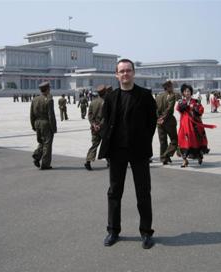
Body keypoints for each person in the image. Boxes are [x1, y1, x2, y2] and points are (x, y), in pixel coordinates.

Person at [98, 59, 157, 249]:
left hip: (139, 151)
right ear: (116, 75)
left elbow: (151, 123)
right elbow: (107, 123)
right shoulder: (110, 97)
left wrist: (144, 140)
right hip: (117, 151)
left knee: (143, 193)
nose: (125, 74)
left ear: (134, 73)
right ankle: (113, 230)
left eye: (128, 71)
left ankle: (146, 232)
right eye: (121, 71)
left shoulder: (145, 95)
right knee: (114, 192)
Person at [177, 84, 213, 167]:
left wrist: (195, 110)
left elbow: (201, 110)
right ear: (183, 92)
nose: (187, 93)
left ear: (191, 92)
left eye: (188, 91)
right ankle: (185, 160)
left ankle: (199, 156)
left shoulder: (195, 101)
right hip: (184, 125)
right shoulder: (181, 102)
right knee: (182, 141)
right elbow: (179, 109)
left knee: (196, 141)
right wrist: (184, 106)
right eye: (185, 91)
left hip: (194, 125)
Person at [30, 81, 57, 170]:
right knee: (47, 144)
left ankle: (37, 155)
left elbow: (31, 114)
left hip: (37, 123)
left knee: (42, 141)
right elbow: (51, 115)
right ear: (48, 89)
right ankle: (45, 164)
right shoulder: (49, 100)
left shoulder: (35, 99)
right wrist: (54, 128)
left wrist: (33, 125)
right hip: (46, 123)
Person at [84, 85, 110, 170]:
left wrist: (93, 124)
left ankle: (88, 161)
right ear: (105, 92)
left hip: (94, 127)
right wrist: (100, 125)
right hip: (103, 128)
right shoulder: (106, 102)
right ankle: (109, 161)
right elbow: (106, 116)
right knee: (107, 145)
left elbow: (90, 115)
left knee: (94, 145)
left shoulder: (93, 102)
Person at [156, 80, 178, 165]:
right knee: (174, 140)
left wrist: (158, 118)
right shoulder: (172, 96)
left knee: (163, 141)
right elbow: (169, 110)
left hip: (159, 123)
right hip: (168, 122)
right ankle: (165, 155)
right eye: (172, 86)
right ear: (168, 87)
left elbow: (156, 109)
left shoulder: (158, 96)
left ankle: (164, 158)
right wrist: (163, 118)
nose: (173, 88)